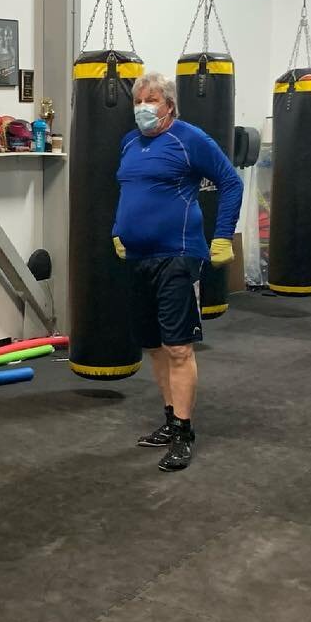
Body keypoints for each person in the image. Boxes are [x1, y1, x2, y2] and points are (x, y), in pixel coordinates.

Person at [111, 73, 243, 472]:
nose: (143, 107)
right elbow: (129, 190)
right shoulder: (130, 142)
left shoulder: (190, 139)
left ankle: (185, 432)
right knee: (153, 346)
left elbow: (231, 182)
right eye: (137, 100)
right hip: (137, 256)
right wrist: (119, 230)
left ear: (168, 104)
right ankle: (170, 420)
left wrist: (222, 237)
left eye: (151, 99)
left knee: (178, 347)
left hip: (178, 255)